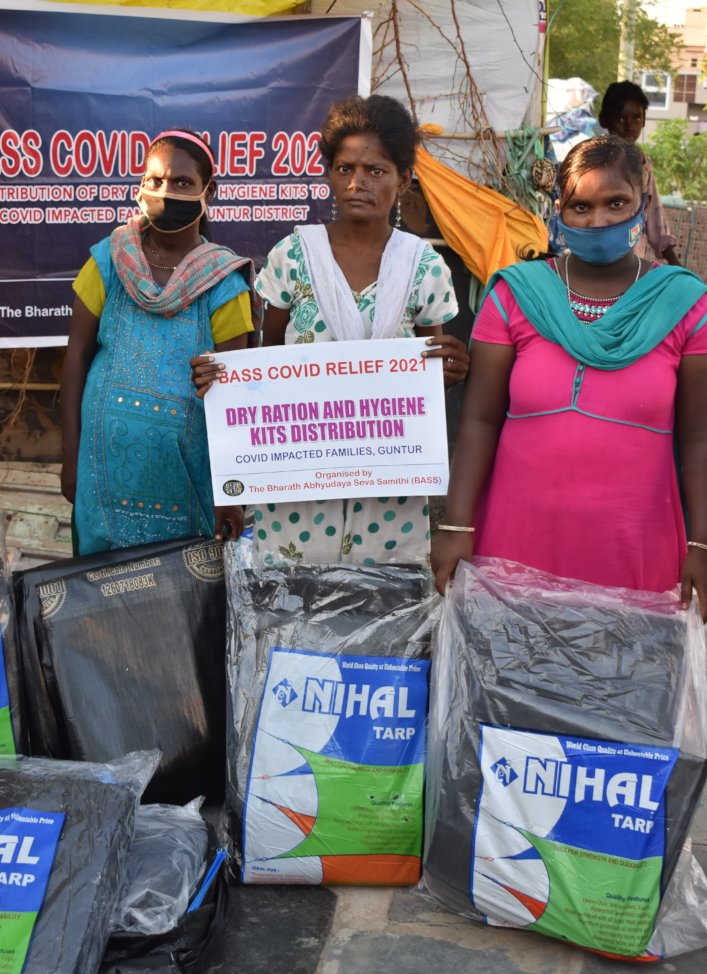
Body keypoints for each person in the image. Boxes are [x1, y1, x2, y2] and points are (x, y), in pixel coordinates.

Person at [432, 135, 707, 619]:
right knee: (510, 688)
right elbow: (478, 420)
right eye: (581, 206)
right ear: (559, 210)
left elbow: (700, 438)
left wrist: (702, 543)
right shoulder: (517, 293)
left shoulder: (685, 304)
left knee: (627, 688)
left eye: (616, 203)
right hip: (513, 547)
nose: (598, 220)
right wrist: (456, 527)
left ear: (642, 204)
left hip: (636, 552)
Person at [193, 94, 468, 565]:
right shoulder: (294, 258)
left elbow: (430, 371)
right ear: (329, 174)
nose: (357, 183)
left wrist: (450, 369)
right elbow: (267, 358)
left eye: (376, 171)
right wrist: (226, 384)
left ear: (404, 179)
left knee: (381, 610)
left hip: (388, 485)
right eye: (344, 169)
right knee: (291, 611)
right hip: (300, 480)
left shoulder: (424, 267)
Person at [61, 128, 254, 555]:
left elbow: (234, 395)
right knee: (97, 603)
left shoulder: (225, 283)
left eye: (182, 182)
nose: (166, 192)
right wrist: (71, 455)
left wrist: (231, 493)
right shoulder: (108, 261)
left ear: (209, 190)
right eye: (155, 181)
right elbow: (75, 361)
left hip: (187, 480)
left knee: (179, 606)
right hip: (101, 474)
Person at [598, 80, 680, 266]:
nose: (629, 126)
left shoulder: (643, 163)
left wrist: (676, 264)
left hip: (633, 259)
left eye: (636, 118)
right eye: (621, 118)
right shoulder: (593, 160)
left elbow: (654, 215)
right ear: (604, 119)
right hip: (598, 253)